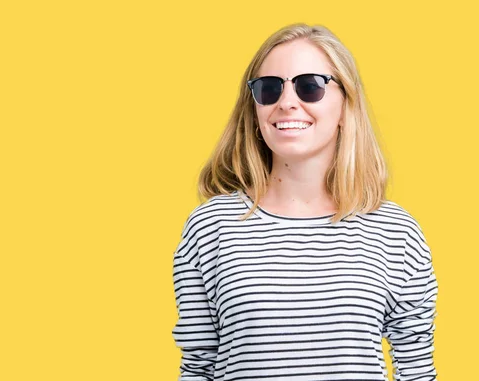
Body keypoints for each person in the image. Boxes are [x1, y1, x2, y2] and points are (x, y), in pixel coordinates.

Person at [171, 23, 438, 381]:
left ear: (346, 105)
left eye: (310, 86)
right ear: (254, 111)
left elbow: (417, 369)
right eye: (269, 89)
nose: (286, 103)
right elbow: (198, 367)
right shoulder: (210, 227)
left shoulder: (396, 232)